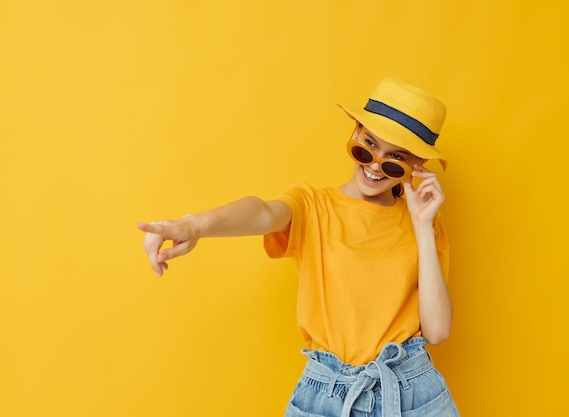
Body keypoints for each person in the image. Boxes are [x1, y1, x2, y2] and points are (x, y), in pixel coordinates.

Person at [138, 76, 460, 417]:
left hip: (411, 388)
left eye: (395, 159)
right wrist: (193, 225)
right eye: (366, 146)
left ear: (417, 166)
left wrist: (422, 225)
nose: (374, 166)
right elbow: (261, 212)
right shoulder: (313, 205)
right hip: (328, 393)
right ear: (354, 131)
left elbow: (437, 330)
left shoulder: (423, 219)